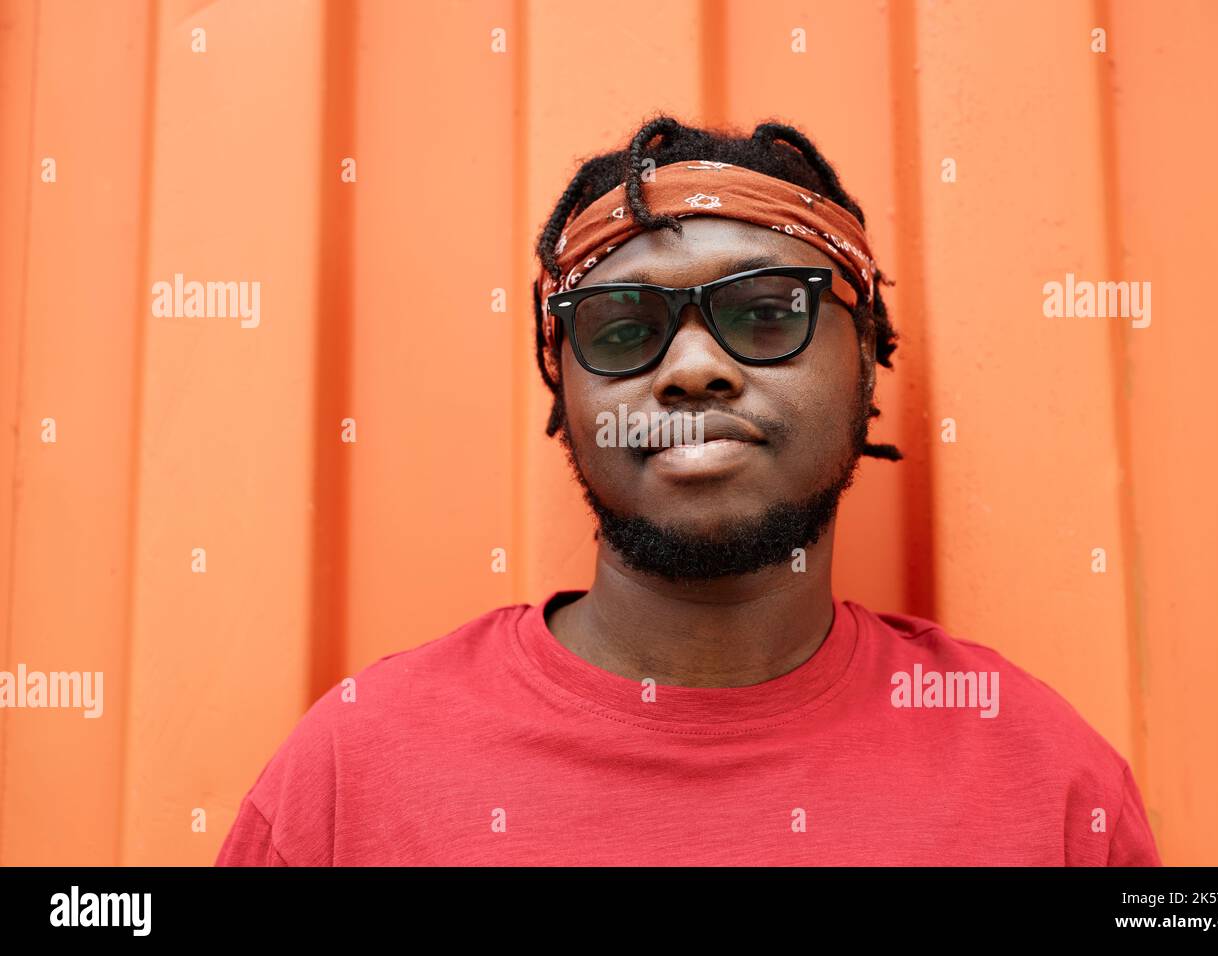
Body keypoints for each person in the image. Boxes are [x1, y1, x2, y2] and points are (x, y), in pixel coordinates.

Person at [215, 115, 1161, 866]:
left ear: (867, 354)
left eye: (764, 313)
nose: (695, 368)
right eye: (625, 328)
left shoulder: (1043, 778)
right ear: (564, 381)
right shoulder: (358, 768)